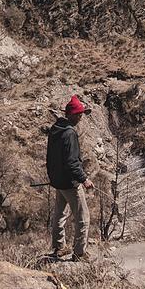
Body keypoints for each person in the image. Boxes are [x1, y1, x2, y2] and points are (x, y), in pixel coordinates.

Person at [46, 94, 94, 260]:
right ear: (72, 115)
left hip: (58, 181)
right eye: (79, 114)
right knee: (83, 217)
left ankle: (59, 247)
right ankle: (79, 253)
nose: (81, 118)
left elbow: (53, 158)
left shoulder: (55, 129)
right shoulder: (70, 134)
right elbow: (72, 162)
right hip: (70, 182)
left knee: (60, 215)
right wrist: (84, 179)